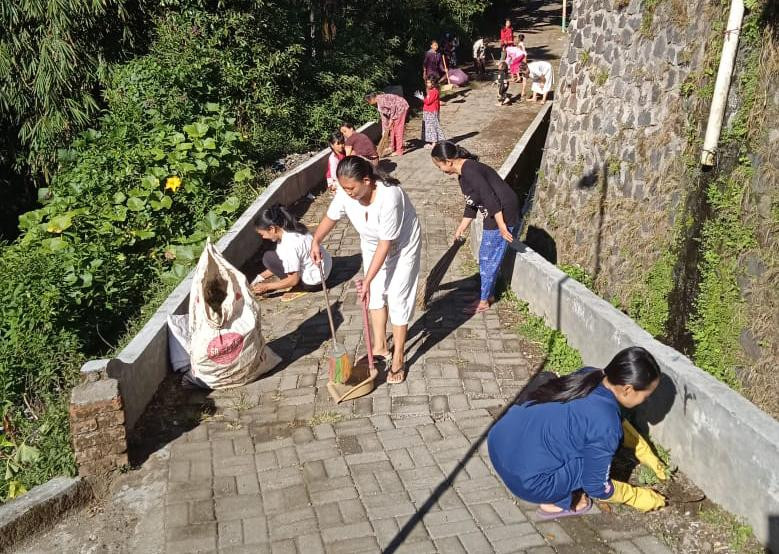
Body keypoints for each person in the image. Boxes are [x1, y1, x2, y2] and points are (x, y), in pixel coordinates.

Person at [488, 347, 668, 519]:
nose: (647, 399)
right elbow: (597, 487)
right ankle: (558, 503)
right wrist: (636, 497)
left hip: (499, 443)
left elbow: (605, 417)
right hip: (527, 483)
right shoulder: (606, 423)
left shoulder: (590, 375)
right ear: (628, 389)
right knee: (592, 465)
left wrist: (643, 451)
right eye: (647, 394)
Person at [311, 156, 421, 384]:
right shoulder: (345, 192)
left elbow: (386, 244)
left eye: (351, 188)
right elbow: (332, 217)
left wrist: (367, 279)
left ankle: (398, 356)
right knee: (375, 296)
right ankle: (380, 347)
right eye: (344, 188)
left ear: (367, 180)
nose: (347, 192)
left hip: (401, 246)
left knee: (398, 297)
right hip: (372, 245)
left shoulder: (390, 197)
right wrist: (316, 241)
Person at [430, 142, 519, 315]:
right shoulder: (463, 175)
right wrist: (462, 227)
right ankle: (487, 294)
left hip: (503, 211)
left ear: (448, 161)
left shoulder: (470, 170)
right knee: (486, 256)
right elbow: (472, 202)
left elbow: (489, 197)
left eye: (439, 165)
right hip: (495, 211)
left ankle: (485, 300)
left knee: (487, 257)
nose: (440, 169)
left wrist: (501, 225)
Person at [251, 204, 332, 301]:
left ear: (272, 229)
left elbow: (293, 280)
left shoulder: (288, 246)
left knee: (268, 258)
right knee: (272, 257)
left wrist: (267, 286)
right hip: (326, 266)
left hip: (314, 282)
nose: (263, 237)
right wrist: (260, 277)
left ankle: (301, 287)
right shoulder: (293, 228)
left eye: (262, 234)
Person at [364, 92, 409, 157]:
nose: (369, 104)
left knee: (398, 130)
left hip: (401, 108)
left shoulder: (382, 100)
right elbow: (383, 117)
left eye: (368, 102)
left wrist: (392, 119)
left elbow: (393, 106)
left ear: (372, 99)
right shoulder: (378, 103)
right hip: (395, 111)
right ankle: (393, 147)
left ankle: (399, 151)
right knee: (392, 129)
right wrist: (384, 130)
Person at [415, 78, 446, 147]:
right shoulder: (432, 91)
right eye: (427, 82)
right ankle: (434, 142)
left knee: (432, 127)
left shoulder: (434, 92)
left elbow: (428, 102)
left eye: (429, 82)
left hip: (431, 112)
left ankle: (434, 143)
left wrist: (422, 98)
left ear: (433, 83)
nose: (427, 84)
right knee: (430, 127)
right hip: (429, 111)